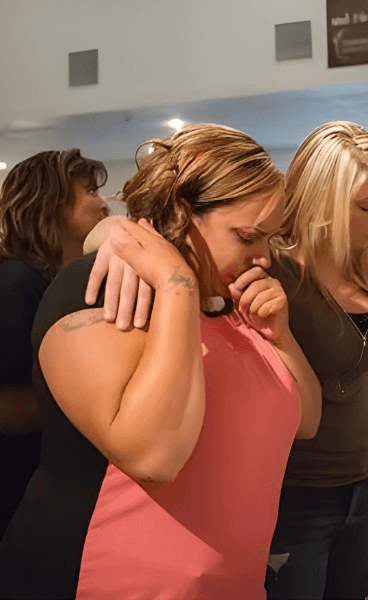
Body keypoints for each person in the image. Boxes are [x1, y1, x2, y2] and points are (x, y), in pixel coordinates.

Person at [0, 124, 321, 599]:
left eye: (269, 238)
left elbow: (306, 420)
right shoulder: (100, 288)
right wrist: (175, 286)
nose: (264, 257)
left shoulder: (232, 301)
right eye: (248, 236)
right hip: (105, 582)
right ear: (182, 215)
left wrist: (282, 336)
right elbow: (155, 455)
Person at [262, 121, 368, 600]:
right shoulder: (276, 272)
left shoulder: (365, 273)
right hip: (297, 494)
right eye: (366, 206)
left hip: (367, 487)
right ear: (323, 200)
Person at [0, 149, 109, 541]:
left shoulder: (62, 283)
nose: (103, 202)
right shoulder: (15, 282)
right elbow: (6, 405)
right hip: (15, 488)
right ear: (49, 201)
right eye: (89, 190)